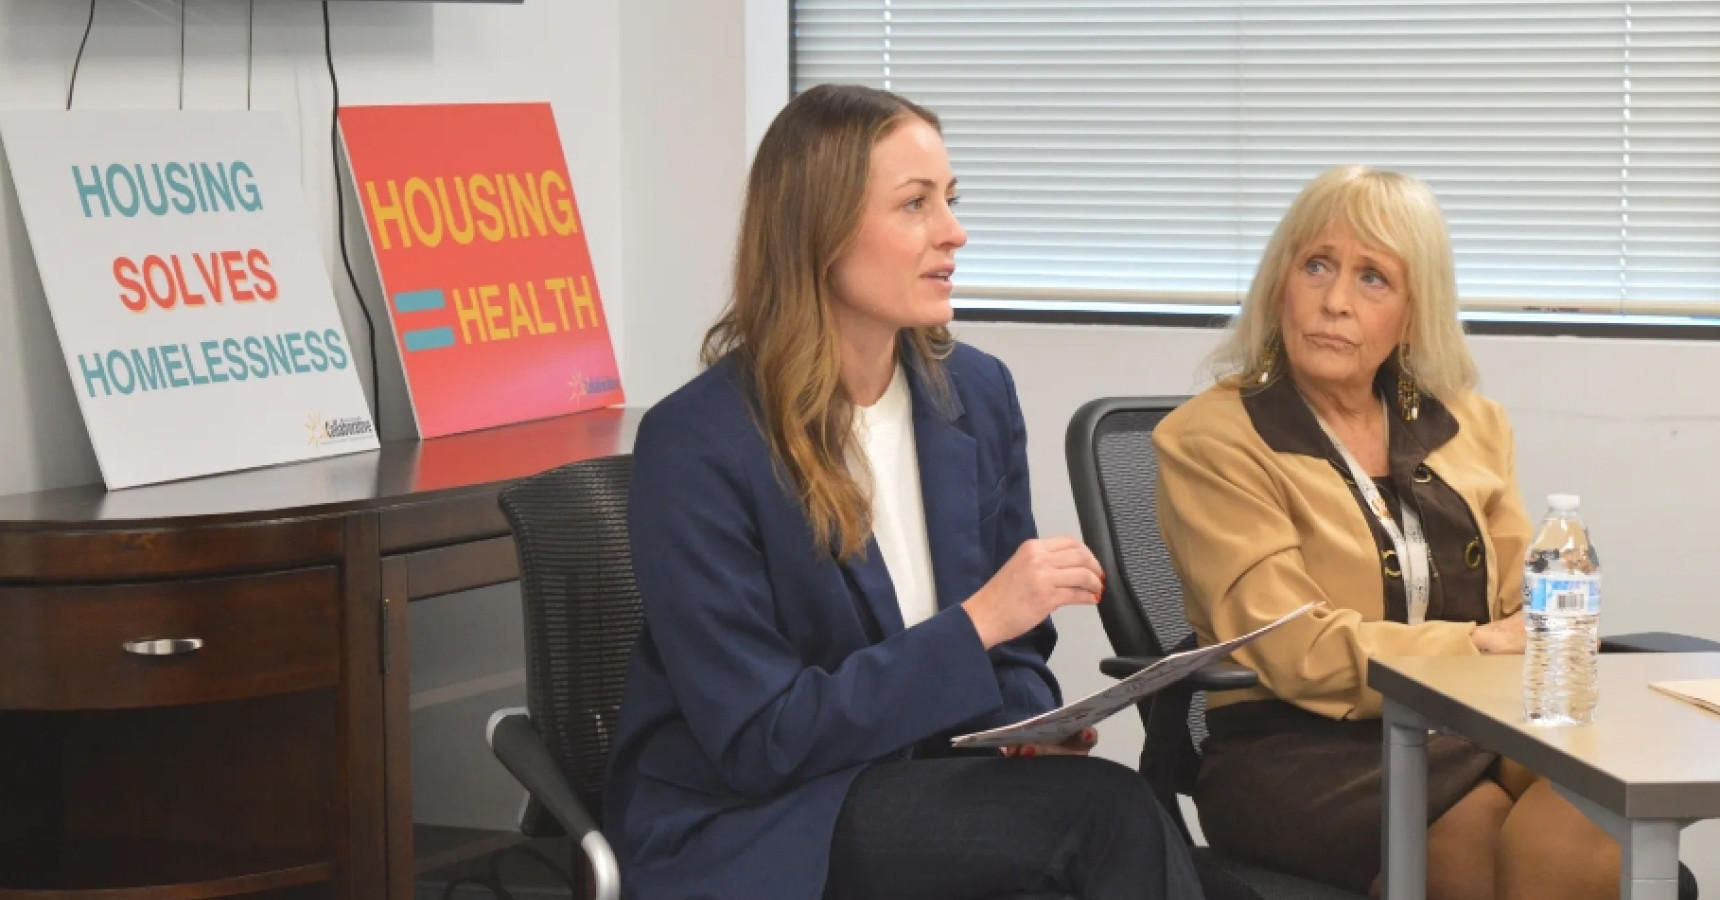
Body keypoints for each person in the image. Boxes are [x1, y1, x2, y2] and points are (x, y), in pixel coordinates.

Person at [604, 83, 1205, 900]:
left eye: (950, 201)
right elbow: (760, 738)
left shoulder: (975, 394)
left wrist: (1024, 730)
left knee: (1127, 822)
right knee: (1107, 822)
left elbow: (1017, 654)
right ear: (819, 229)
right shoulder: (701, 443)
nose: (953, 233)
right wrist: (978, 622)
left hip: (924, 779)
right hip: (764, 815)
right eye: (915, 205)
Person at [1153, 165, 1630, 900]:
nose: (1334, 301)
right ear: (1281, 281)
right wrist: (1468, 647)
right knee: (1472, 844)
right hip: (1305, 751)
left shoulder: (1470, 425)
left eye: (1372, 278)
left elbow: (1520, 612)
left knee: (1593, 811)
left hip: (1470, 723)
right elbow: (1292, 646)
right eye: (1316, 266)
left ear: (1413, 311)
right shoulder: (1211, 440)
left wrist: (1531, 636)